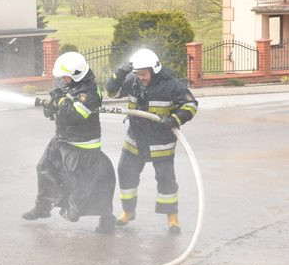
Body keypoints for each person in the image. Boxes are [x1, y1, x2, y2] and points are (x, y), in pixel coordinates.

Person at [105, 48, 198, 234]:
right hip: (135, 139)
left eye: (144, 74)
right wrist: (121, 73)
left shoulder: (172, 85)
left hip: (160, 141)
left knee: (166, 180)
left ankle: (172, 219)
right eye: (138, 74)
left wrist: (174, 119)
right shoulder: (133, 81)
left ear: (154, 70)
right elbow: (111, 92)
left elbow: (190, 104)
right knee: (125, 172)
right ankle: (128, 212)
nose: (141, 77)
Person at [22, 51, 117, 234]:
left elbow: (77, 114)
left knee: (87, 184)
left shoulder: (90, 91)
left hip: (81, 145)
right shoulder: (67, 85)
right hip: (62, 139)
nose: (62, 80)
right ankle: (43, 207)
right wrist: (50, 107)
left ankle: (106, 220)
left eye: (65, 77)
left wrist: (60, 102)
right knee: (44, 168)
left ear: (76, 75)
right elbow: (58, 108)